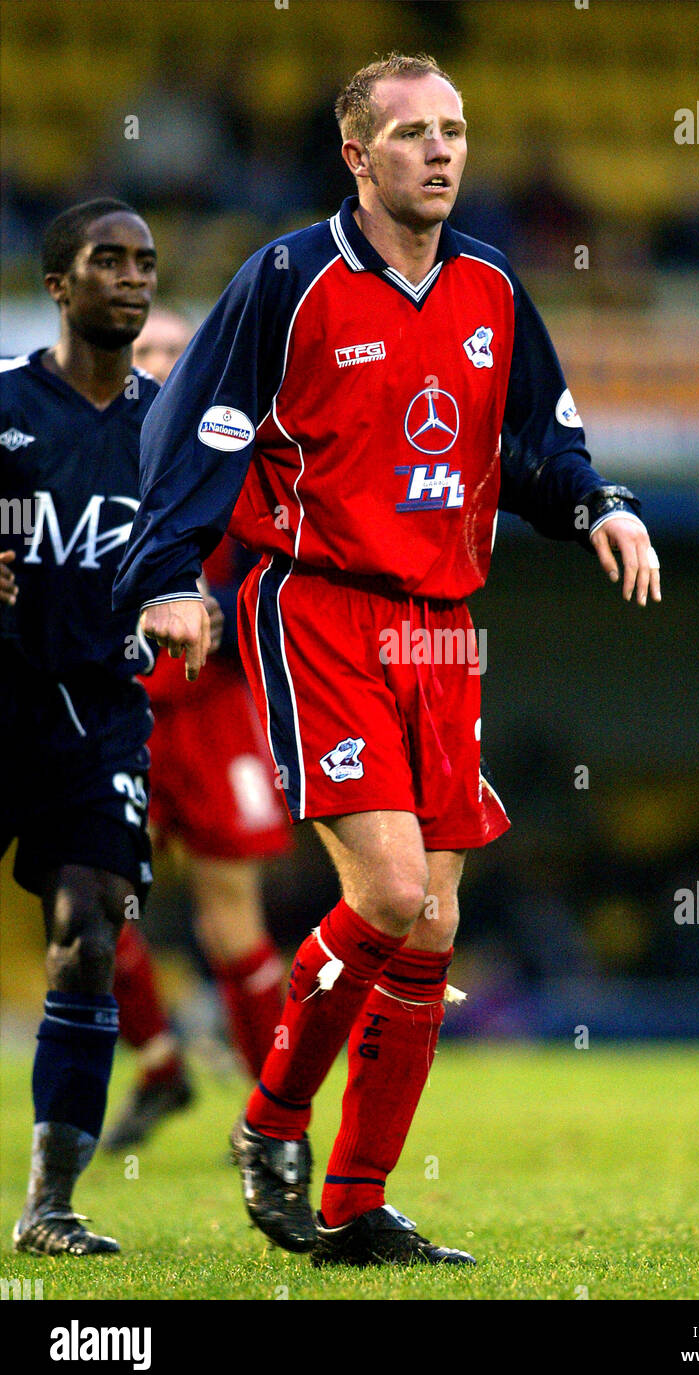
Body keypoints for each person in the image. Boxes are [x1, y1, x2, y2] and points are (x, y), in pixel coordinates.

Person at [114, 53, 661, 1268]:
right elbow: (194, 427)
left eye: (455, 129)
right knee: (391, 892)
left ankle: (355, 1204)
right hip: (317, 603)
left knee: (432, 923)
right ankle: (269, 1126)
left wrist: (598, 506)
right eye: (412, 133)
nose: (441, 151)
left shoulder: (491, 287)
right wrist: (165, 573)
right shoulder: (286, 279)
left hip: (442, 623)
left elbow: (532, 447)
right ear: (357, 156)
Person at [0, 198, 220, 1255]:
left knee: (89, 936)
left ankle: (48, 1203)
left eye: (145, 262)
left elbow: (207, 554)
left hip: (99, 718)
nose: (132, 278)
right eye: (107, 260)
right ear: (57, 283)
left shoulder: (168, 433)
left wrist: (195, 598)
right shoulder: (3, 408)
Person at [103, 310, 292, 1150]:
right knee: (94, 901)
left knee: (231, 920)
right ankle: (159, 1064)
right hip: (116, 713)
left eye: (177, 352)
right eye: (146, 350)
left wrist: (219, 608)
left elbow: (275, 573)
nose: (160, 364)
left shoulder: (241, 458)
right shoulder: (89, 455)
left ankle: (273, 1113)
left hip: (214, 715)